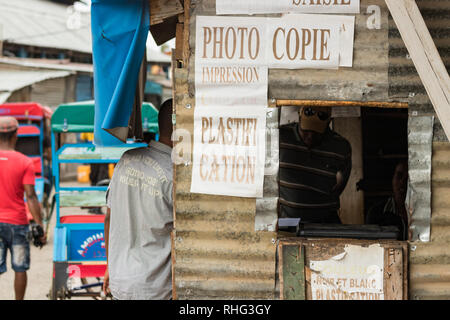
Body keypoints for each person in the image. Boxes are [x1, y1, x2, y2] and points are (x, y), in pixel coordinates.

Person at [103, 99, 174, 300]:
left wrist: (110, 265)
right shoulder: (174, 174)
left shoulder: (125, 160)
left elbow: (108, 218)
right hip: (156, 290)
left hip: (121, 284)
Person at [279, 106, 352, 224]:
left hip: (325, 223)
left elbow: (339, 187)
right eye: (306, 131)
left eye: (317, 132)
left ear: (329, 122)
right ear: (299, 117)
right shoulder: (280, 137)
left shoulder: (341, 147)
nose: (310, 137)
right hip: (288, 222)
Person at [0, 116, 46, 300]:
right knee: (20, 268)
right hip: (17, 224)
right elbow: (31, 196)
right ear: (15, 135)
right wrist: (39, 225)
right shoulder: (24, 162)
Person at [366, 161, 409, 240]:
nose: (402, 182)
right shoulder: (376, 213)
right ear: (392, 180)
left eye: (408, 178)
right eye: (399, 176)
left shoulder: (422, 213)